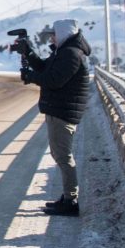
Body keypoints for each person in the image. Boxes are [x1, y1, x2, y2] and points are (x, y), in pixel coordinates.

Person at [18, 18, 91, 217]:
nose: (52, 37)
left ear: (64, 34)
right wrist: (29, 53)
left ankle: (71, 201)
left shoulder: (71, 54)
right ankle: (68, 197)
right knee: (60, 155)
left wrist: (30, 77)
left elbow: (53, 80)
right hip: (60, 109)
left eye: (54, 34)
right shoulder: (64, 52)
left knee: (63, 157)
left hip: (63, 111)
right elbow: (45, 69)